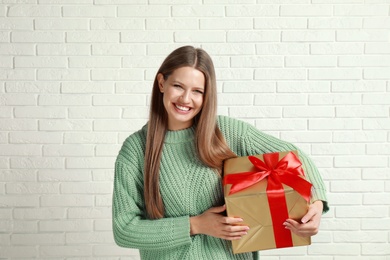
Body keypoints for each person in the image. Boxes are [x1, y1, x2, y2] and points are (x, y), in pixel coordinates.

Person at [112, 46, 329, 260]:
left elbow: (294, 157)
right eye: (178, 86)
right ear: (162, 83)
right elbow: (124, 230)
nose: (186, 99)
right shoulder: (136, 149)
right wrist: (196, 225)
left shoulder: (227, 132)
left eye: (197, 91)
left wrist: (316, 203)